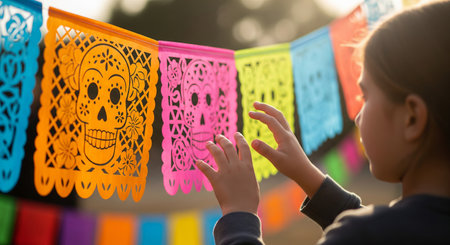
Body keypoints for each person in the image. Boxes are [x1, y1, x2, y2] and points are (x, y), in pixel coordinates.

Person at [195, 1, 450, 244]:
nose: (358, 116)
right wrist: (306, 174)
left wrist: (239, 214)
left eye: (366, 96)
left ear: (412, 118)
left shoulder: (363, 235)